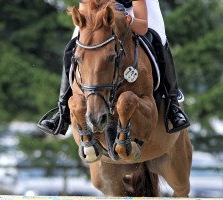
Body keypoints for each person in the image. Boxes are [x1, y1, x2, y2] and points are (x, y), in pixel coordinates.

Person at [37, 0, 190, 135]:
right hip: (99, 17)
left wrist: (126, 20)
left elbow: (142, 28)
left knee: (158, 37)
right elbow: (84, 16)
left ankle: (172, 104)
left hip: (133, 12)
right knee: (73, 45)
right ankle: (62, 111)